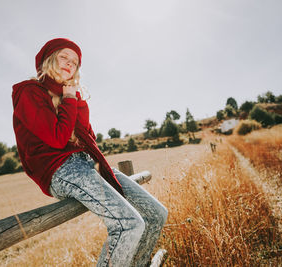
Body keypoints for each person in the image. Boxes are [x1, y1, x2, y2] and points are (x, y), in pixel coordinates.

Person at [12, 38, 168, 267]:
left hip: (87, 163)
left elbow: (89, 138)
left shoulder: (69, 95)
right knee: (129, 224)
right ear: (48, 59)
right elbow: (57, 138)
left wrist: (75, 99)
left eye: (75, 62)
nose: (69, 64)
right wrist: (68, 98)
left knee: (156, 214)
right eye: (64, 56)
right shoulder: (29, 92)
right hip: (60, 169)